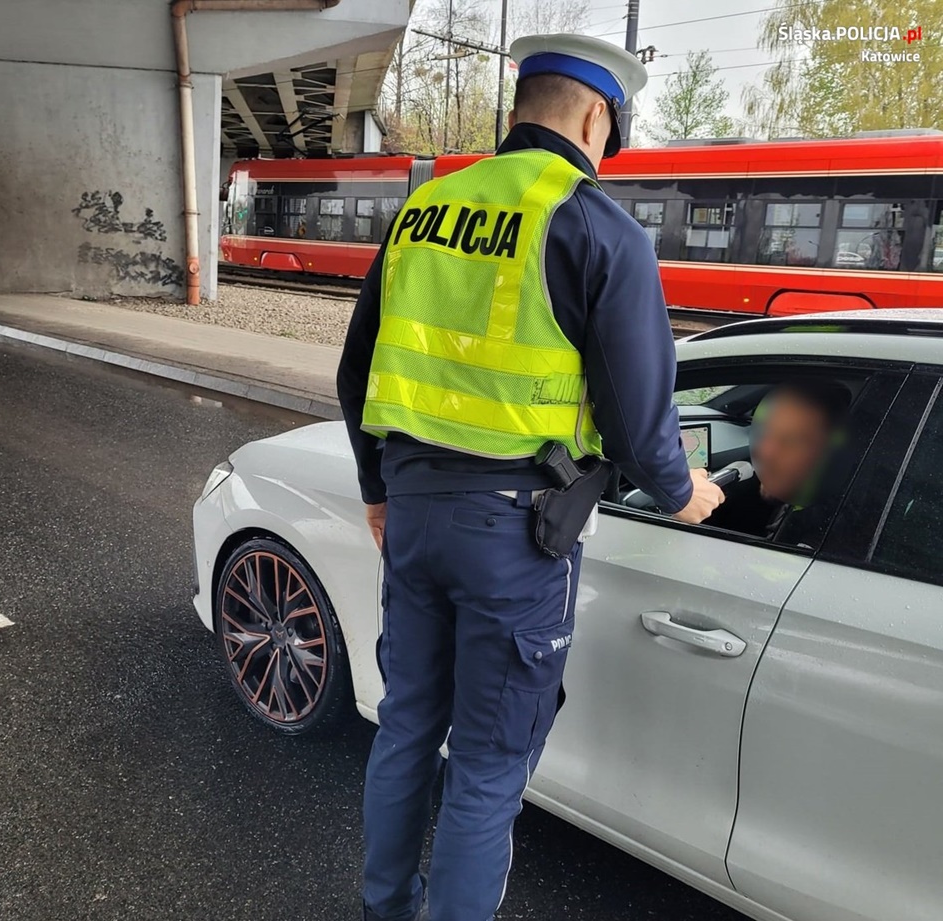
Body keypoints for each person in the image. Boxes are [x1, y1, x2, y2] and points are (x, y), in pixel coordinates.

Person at [336, 33, 724, 921]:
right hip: (515, 532)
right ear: (598, 116)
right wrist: (683, 492)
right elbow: (637, 416)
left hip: (414, 512)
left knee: (405, 728)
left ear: (521, 108)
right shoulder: (594, 225)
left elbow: (357, 373)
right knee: (485, 766)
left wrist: (377, 491)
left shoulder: (423, 209)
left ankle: (385, 907)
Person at [706, 379, 850, 540]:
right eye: (766, 432)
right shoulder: (796, 502)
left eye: (792, 440)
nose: (766, 452)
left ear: (828, 452)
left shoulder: (827, 536)